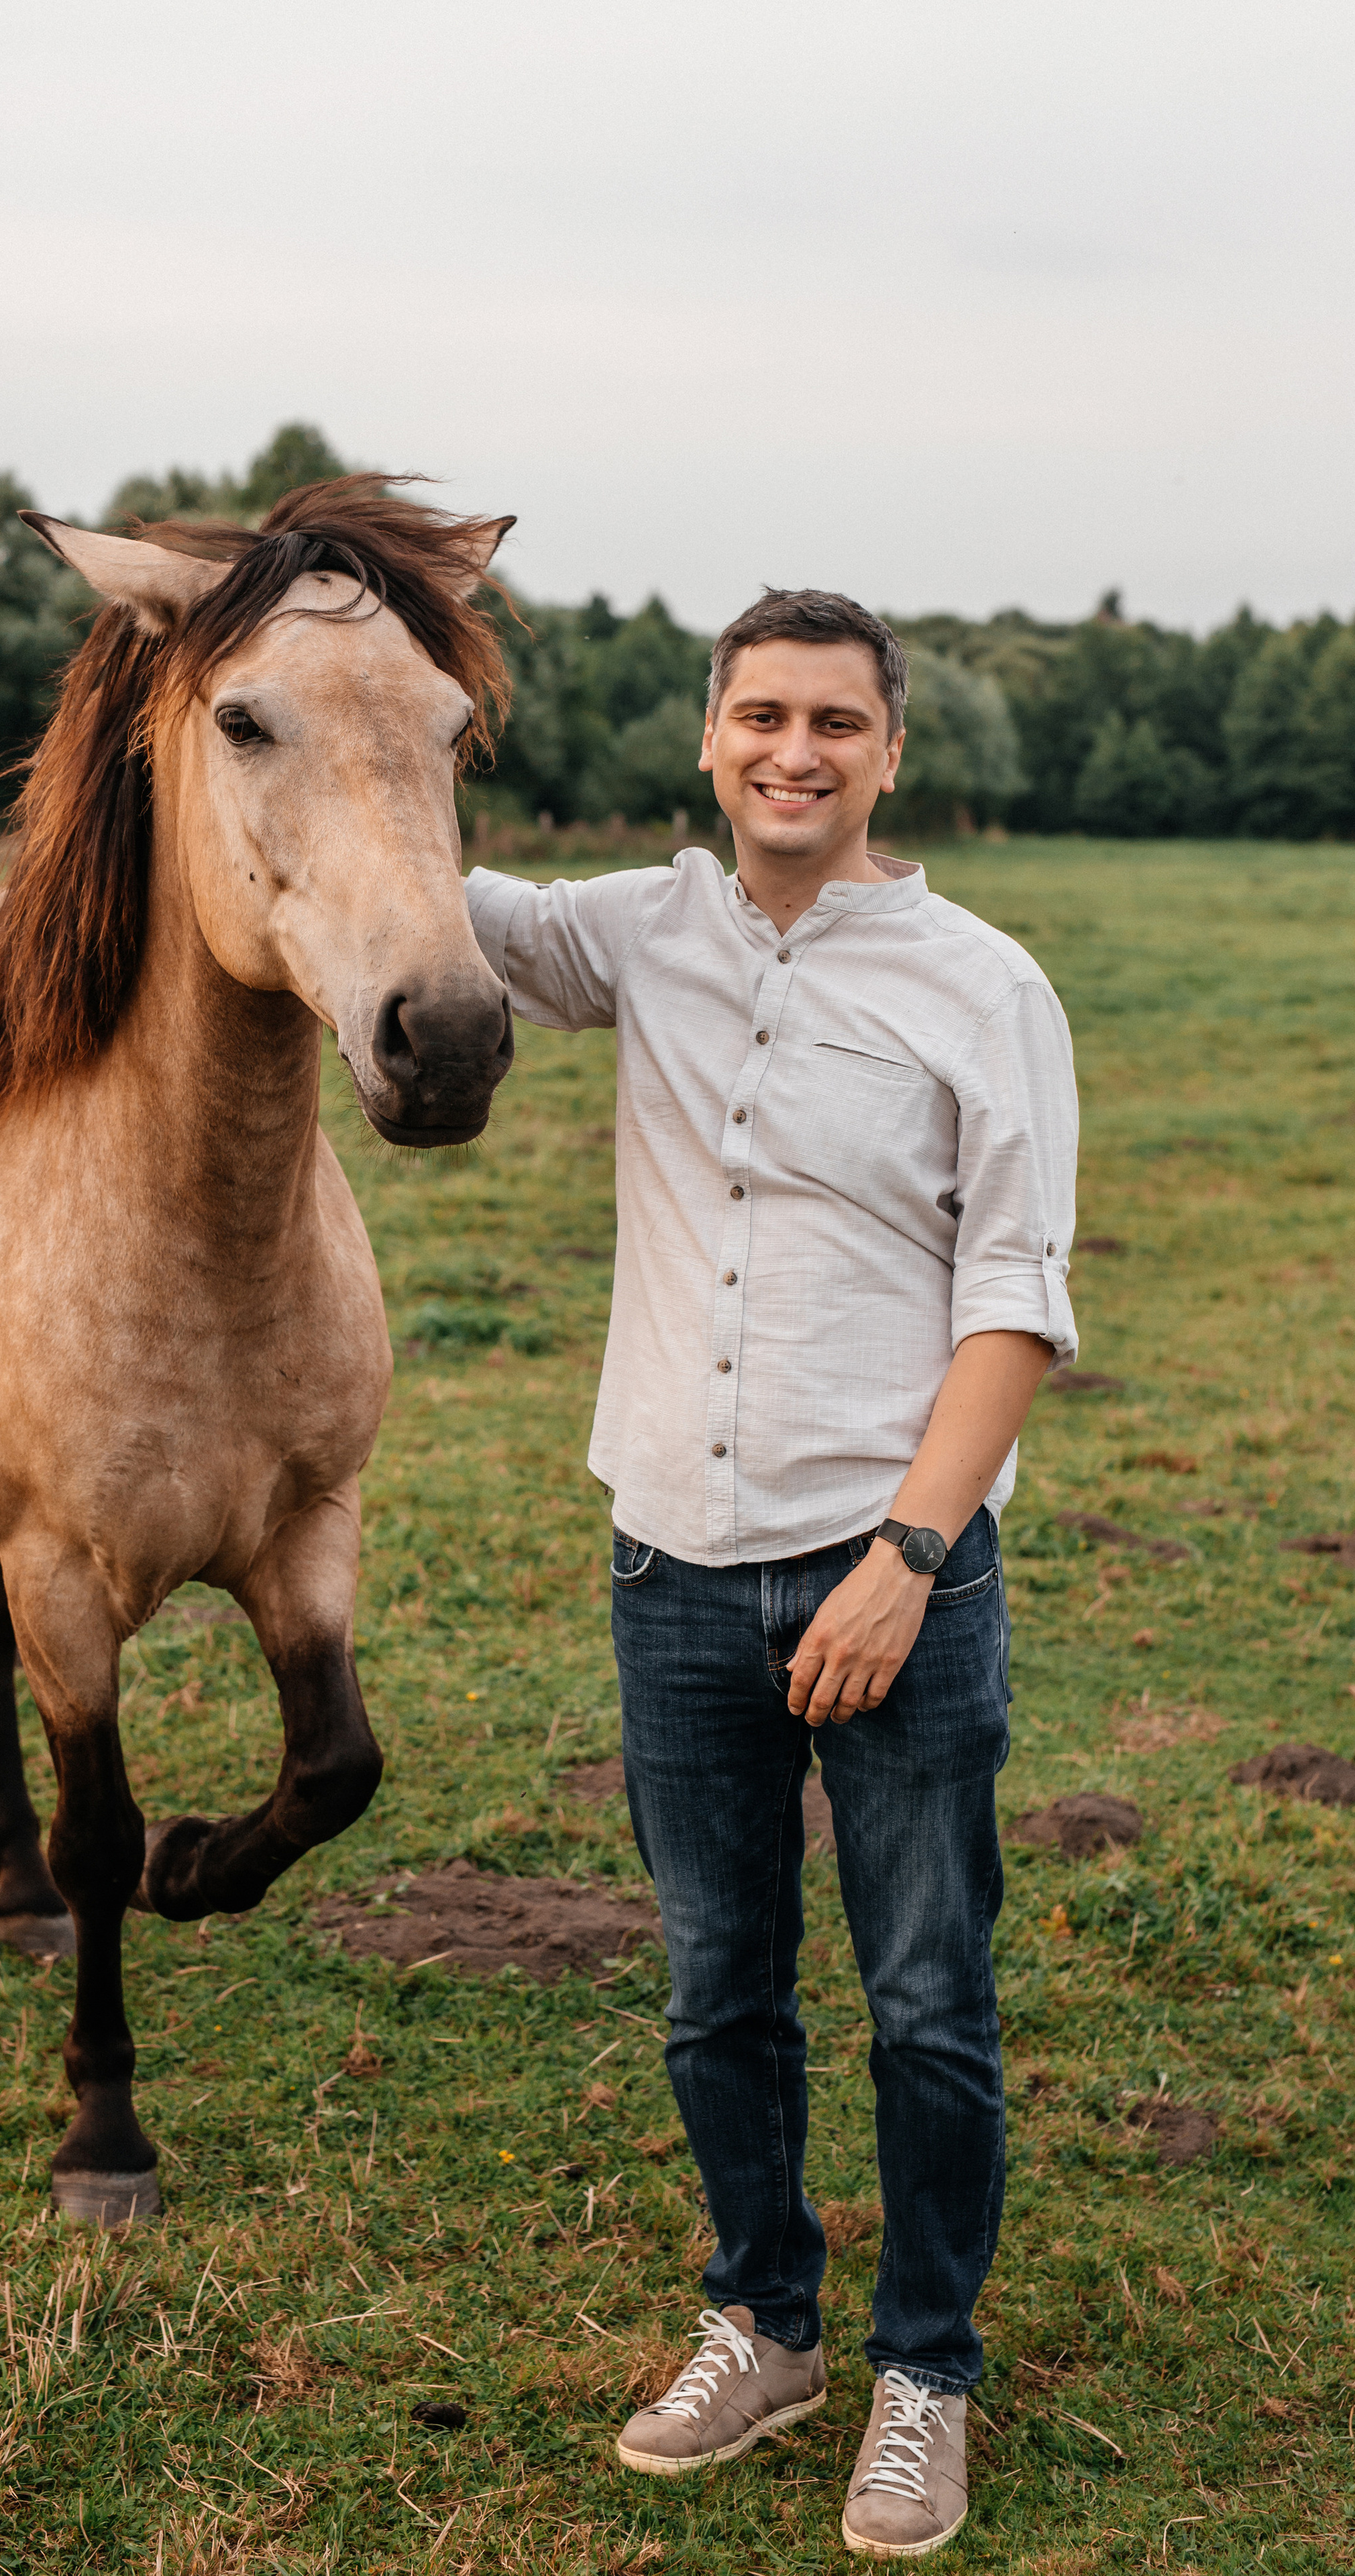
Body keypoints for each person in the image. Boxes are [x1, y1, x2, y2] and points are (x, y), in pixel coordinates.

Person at [464, 588, 1078, 2559]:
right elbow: (398, 894)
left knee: (925, 2001)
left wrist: (912, 1554)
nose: (791, 751)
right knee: (718, 1990)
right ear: (708, 740)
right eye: (758, 718)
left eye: (833, 721)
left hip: (889, 1569)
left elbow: (1016, 1300)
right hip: (669, 1560)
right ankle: (763, 2320)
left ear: (892, 751)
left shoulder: (986, 986)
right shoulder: (639, 934)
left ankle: (926, 2372)